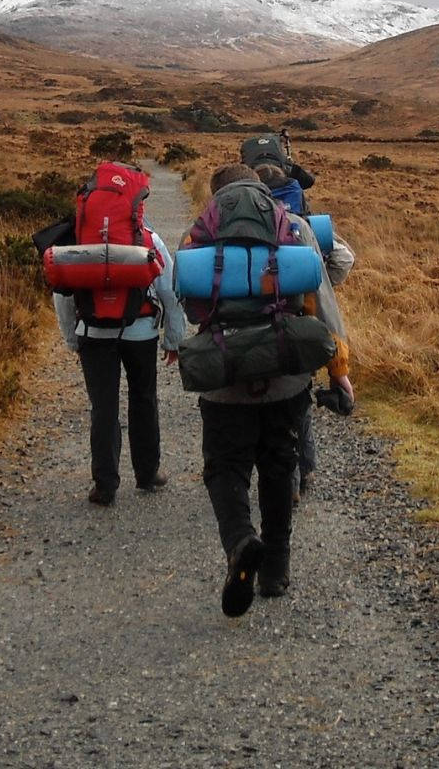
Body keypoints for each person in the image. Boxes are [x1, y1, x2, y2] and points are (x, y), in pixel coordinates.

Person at [177, 163, 354, 615]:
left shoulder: (200, 231)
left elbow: (191, 305)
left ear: (217, 197)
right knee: (280, 465)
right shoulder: (293, 226)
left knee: (225, 469)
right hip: (285, 373)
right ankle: (276, 568)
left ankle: (240, 541)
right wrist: (338, 370)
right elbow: (320, 303)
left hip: (224, 378)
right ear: (262, 192)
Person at [51, 167, 187, 507]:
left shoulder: (77, 239)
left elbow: (62, 293)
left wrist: (71, 338)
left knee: (103, 406)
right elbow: (170, 291)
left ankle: (105, 485)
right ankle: (147, 473)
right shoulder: (148, 238)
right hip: (140, 332)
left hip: (92, 332)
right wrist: (174, 338)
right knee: (143, 398)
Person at [250, 162, 356, 501]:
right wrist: (323, 280)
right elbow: (344, 259)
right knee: (299, 403)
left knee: (265, 407)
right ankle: (303, 472)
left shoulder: (242, 222)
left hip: (256, 325)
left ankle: (285, 477)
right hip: (303, 323)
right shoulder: (301, 225)